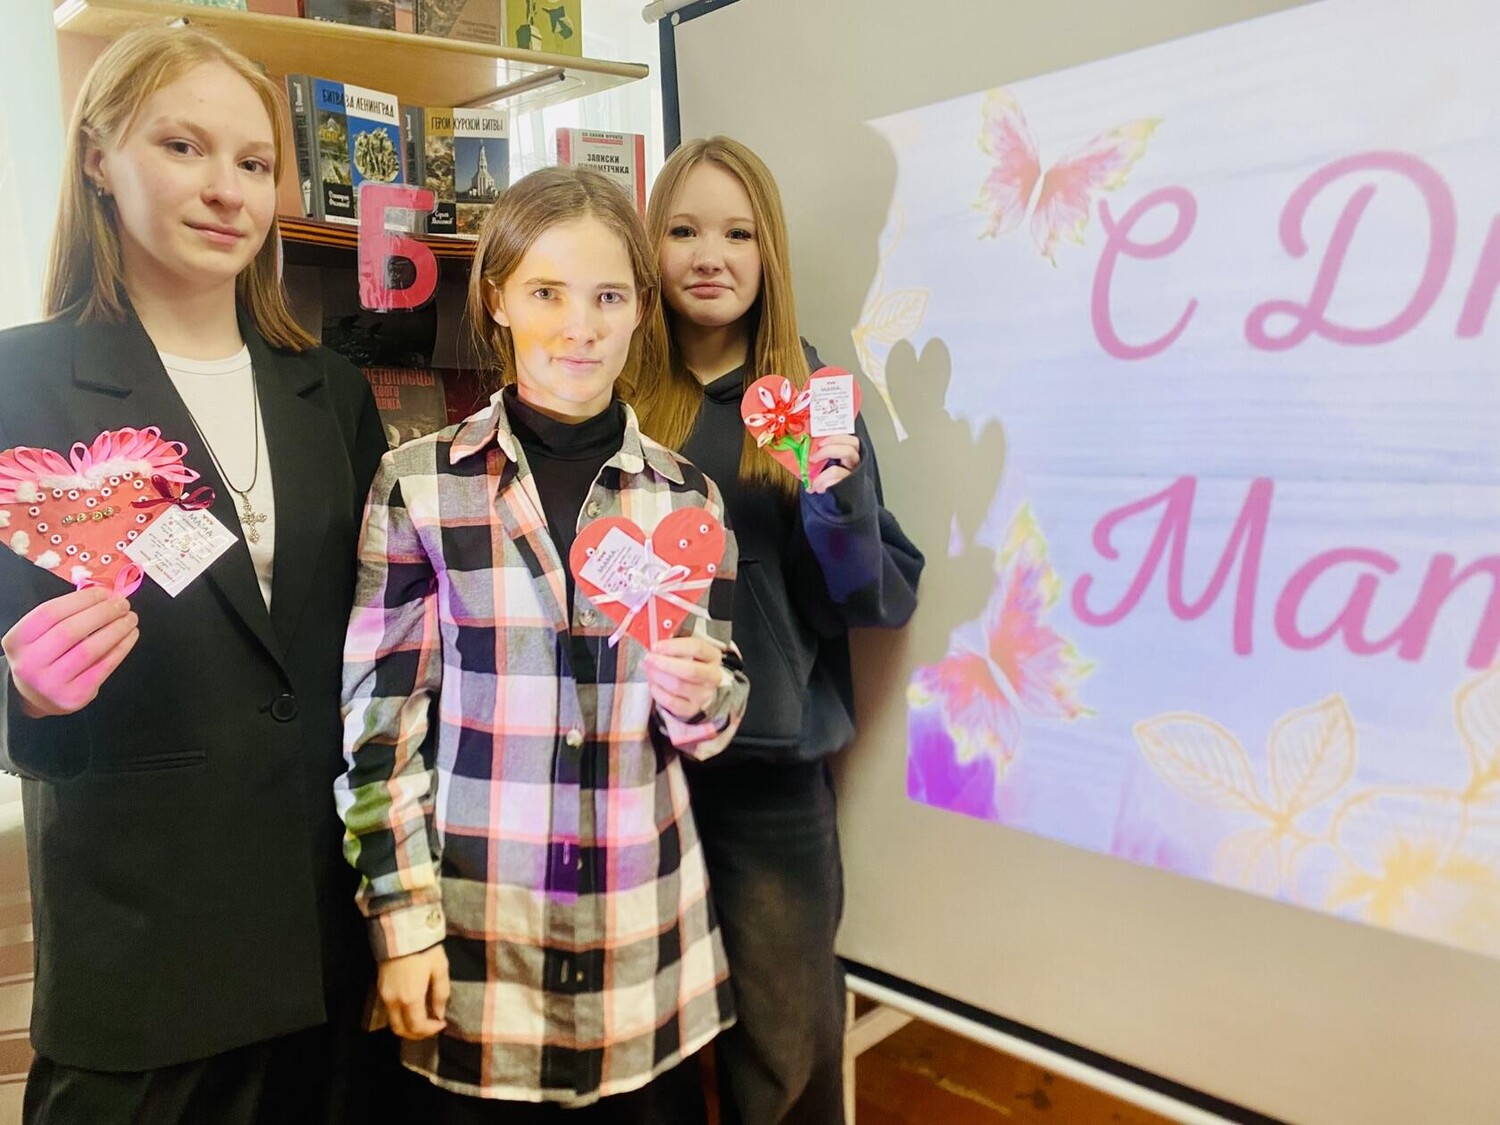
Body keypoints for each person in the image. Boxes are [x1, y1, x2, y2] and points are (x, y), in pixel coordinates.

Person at [0, 26, 390, 1125]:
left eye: (255, 163)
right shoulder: (19, 385)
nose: (227, 191)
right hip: (144, 951)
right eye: (183, 148)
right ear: (98, 158)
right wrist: (26, 692)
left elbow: (376, 643)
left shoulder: (331, 392)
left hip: (323, 937)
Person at [337, 165, 747, 1123]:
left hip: (640, 948)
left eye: (608, 296)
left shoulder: (686, 498)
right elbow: (379, 725)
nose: (580, 326)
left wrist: (704, 697)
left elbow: (716, 705)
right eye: (547, 292)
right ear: (498, 299)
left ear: (640, 306)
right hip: (481, 945)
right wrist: (402, 921)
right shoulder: (420, 485)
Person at [634, 136, 925, 1124]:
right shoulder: (615, 391)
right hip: (632, 769)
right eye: (683, 230)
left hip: (769, 771)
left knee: (786, 1044)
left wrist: (836, 501)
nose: (709, 256)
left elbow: (869, 598)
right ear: (651, 246)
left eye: (737, 233)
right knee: (649, 1044)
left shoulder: (808, 398)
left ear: (770, 254)